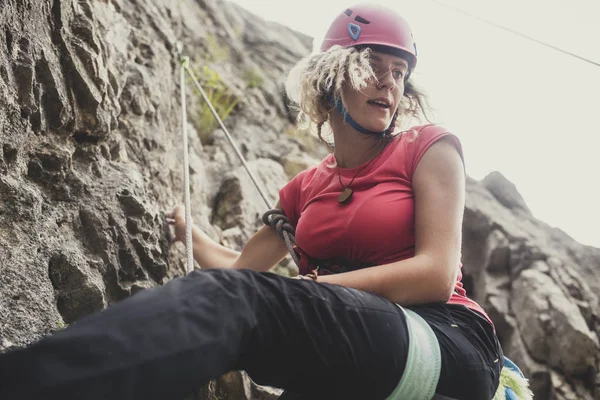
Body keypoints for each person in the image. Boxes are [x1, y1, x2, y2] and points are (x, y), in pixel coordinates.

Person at [0, 4, 504, 400]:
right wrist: (191, 235)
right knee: (230, 296)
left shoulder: (430, 148)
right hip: (364, 350)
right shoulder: (306, 187)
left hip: (447, 342)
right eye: (373, 64)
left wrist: (318, 288)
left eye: (399, 72)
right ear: (332, 76)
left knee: (239, 304)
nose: (388, 83)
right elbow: (242, 272)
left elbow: (435, 273)